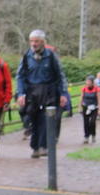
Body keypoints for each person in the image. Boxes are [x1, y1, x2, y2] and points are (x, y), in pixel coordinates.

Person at [15, 29, 69, 158]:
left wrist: (63, 93)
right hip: (32, 92)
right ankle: (35, 147)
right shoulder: (26, 56)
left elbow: (60, 75)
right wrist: (21, 93)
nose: (34, 44)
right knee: (32, 118)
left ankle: (43, 146)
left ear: (43, 42)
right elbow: (20, 76)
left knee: (46, 118)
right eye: (32, 41)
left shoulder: (51, 56)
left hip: (48, 91)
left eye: (37, 41)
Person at [80, 74, 100, 144]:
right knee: (86, 122)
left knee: (92, 122)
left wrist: (99, 109)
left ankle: (93, 135)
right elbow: (81, 98)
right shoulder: (84, 88)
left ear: (92, 82)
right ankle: (86, 136)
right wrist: (80, 107)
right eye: (87, 81)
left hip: (94, 108)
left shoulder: (96, 89)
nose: (87, 83)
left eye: (89, 81)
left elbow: (99, 98)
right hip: (85, 107)